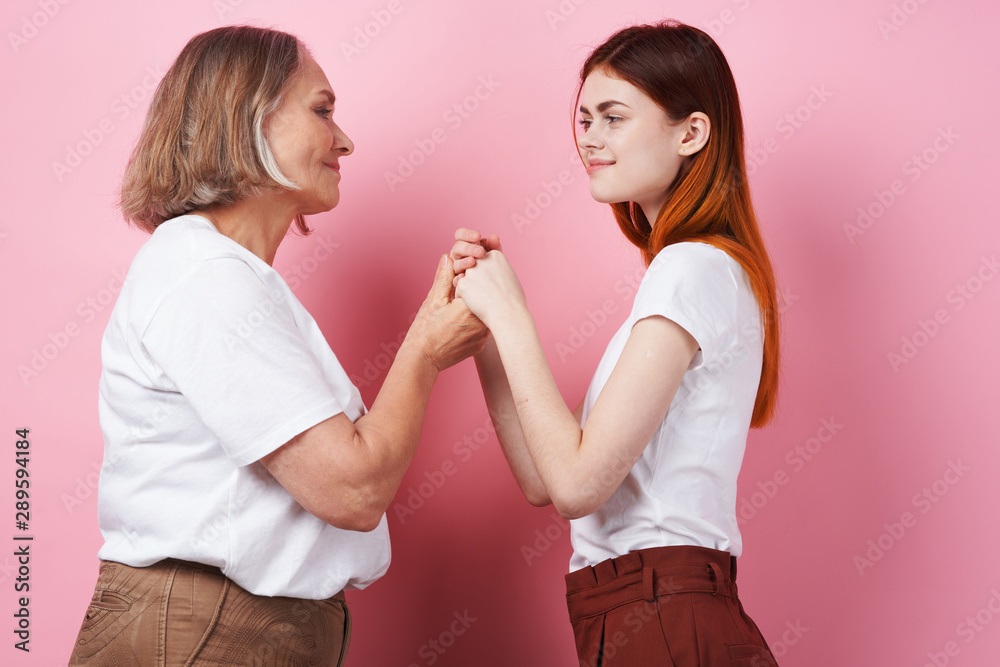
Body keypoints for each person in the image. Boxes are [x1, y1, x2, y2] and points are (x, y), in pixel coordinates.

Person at [68, 26, 485, 666]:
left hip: (233, 627)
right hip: (207, 628)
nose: (344, 140)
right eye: (322, 110)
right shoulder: (203, 274)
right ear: (247, 118)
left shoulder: (227, 277)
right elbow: (352, 489)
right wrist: (426, 350)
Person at [451, 21, 781, 666]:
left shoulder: (691, 268)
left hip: (660, 610)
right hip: (645, 609)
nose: (590, 138)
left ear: (691, 132)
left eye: (613, 117)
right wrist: (488, 328)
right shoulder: (696, 272)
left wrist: (513, 315)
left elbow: (576, 486)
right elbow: (545, 478)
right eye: (584, 119)